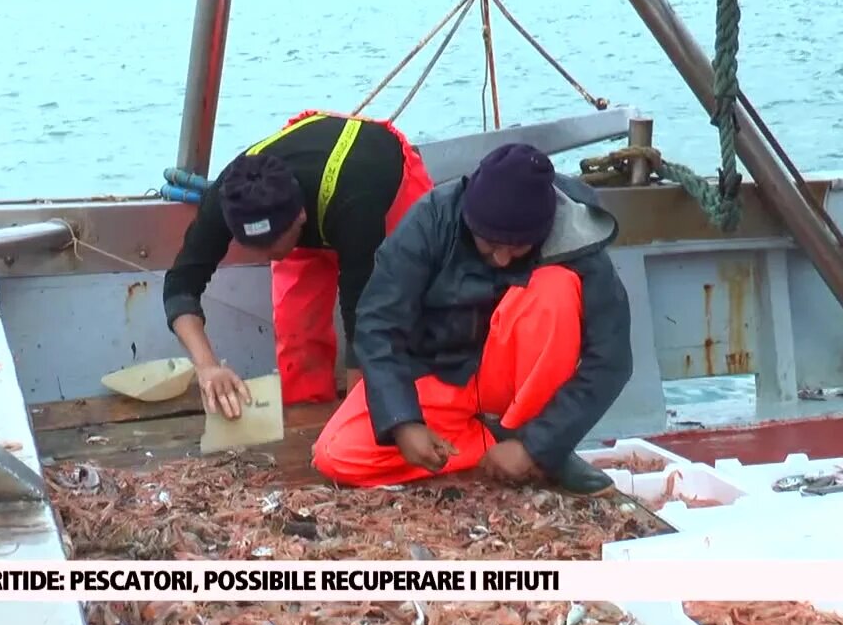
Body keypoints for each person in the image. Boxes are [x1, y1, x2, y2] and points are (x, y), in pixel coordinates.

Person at [311, 143, 632, 496]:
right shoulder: (431, 219)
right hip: (438, 374)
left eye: (518, 248)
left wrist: (536, 443)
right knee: (335, 455)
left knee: (554, 288)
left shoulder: (576, 235)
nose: (501, 258)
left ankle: (535, 446)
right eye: (489, 243)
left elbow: (611, 359)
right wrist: (403, 422)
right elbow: (377, 325)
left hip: (512, 381)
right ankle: (498, 444)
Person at [162, 110, 434, 418]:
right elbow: (180, 286)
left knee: (405, 324)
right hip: (313, 212)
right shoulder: (230, 197)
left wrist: (355, 421)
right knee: (297, 336)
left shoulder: (358, 206)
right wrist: (207, 366)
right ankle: (306, 423)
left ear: (300, 217)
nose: (265, 257)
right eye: (255, 247)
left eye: (271, 245)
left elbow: (365, 326)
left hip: (381, 192)